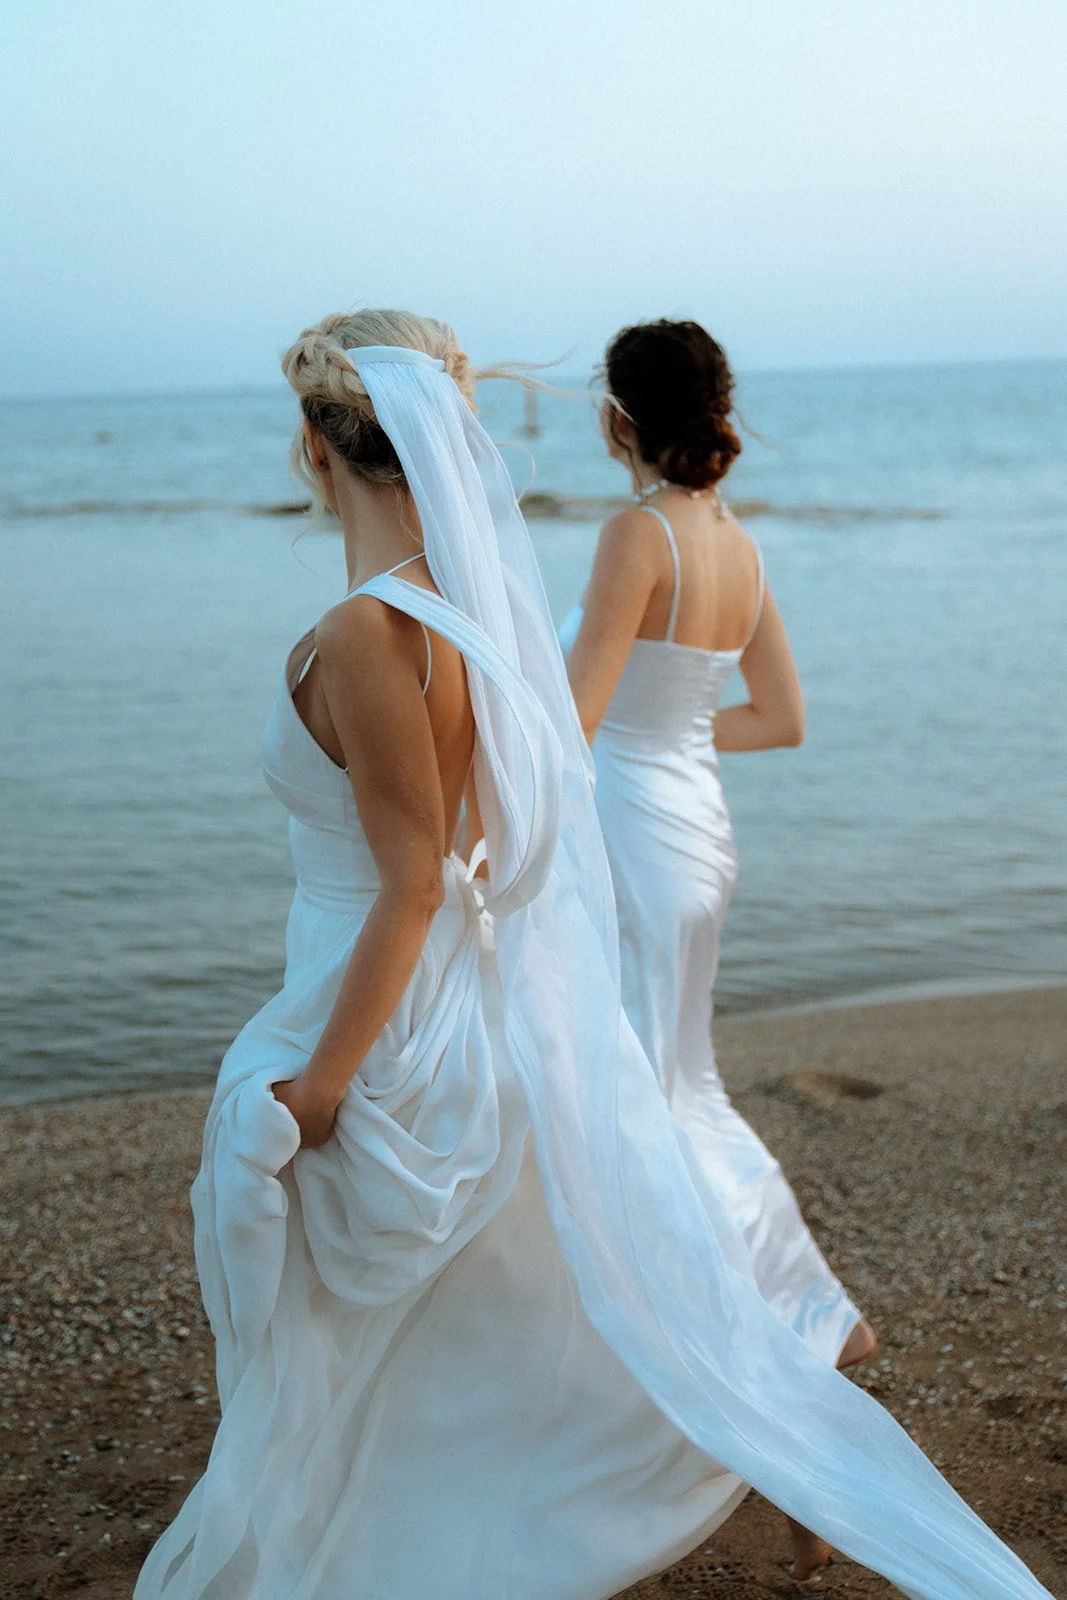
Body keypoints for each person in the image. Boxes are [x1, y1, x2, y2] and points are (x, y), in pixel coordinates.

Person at [136, 309, 1051, 1600]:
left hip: (421, 954)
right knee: (588, 1186)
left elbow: (414, 879)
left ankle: (741, 1370)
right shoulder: (482, 615)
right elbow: (543, 810)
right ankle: (745, 1362)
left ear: (312, 446)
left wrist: (327, 1080)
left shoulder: (371, 629)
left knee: (552, 1190)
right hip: (594, 890)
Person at [560, 317, 876, 1577]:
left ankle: (779, 1344)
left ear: (617, 419)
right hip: (699, 836)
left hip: (634, 841)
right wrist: (673, 744)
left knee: (645, 1104)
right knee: (680, 1085)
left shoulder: (636, 533)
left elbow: (571, 714)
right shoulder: (735, 545)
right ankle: (801, 1331)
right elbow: (779, 719)